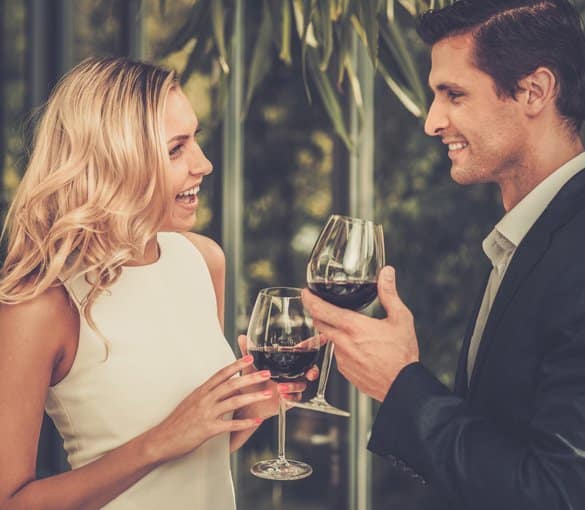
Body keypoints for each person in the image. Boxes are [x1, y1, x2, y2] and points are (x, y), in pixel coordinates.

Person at [302, 0, 585, 508]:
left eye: (454, 95)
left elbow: (560, 492)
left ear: (535, 91)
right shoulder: (531, 234)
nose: (433, 122)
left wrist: (401, 386)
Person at [0, 57, 315, 510]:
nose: (203, 164)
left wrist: (249, 412)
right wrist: (159, 441)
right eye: (175, 149)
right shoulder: (43, 303)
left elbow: (194, 458)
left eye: (196, 140)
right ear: (114, 161)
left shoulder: (202, 260)